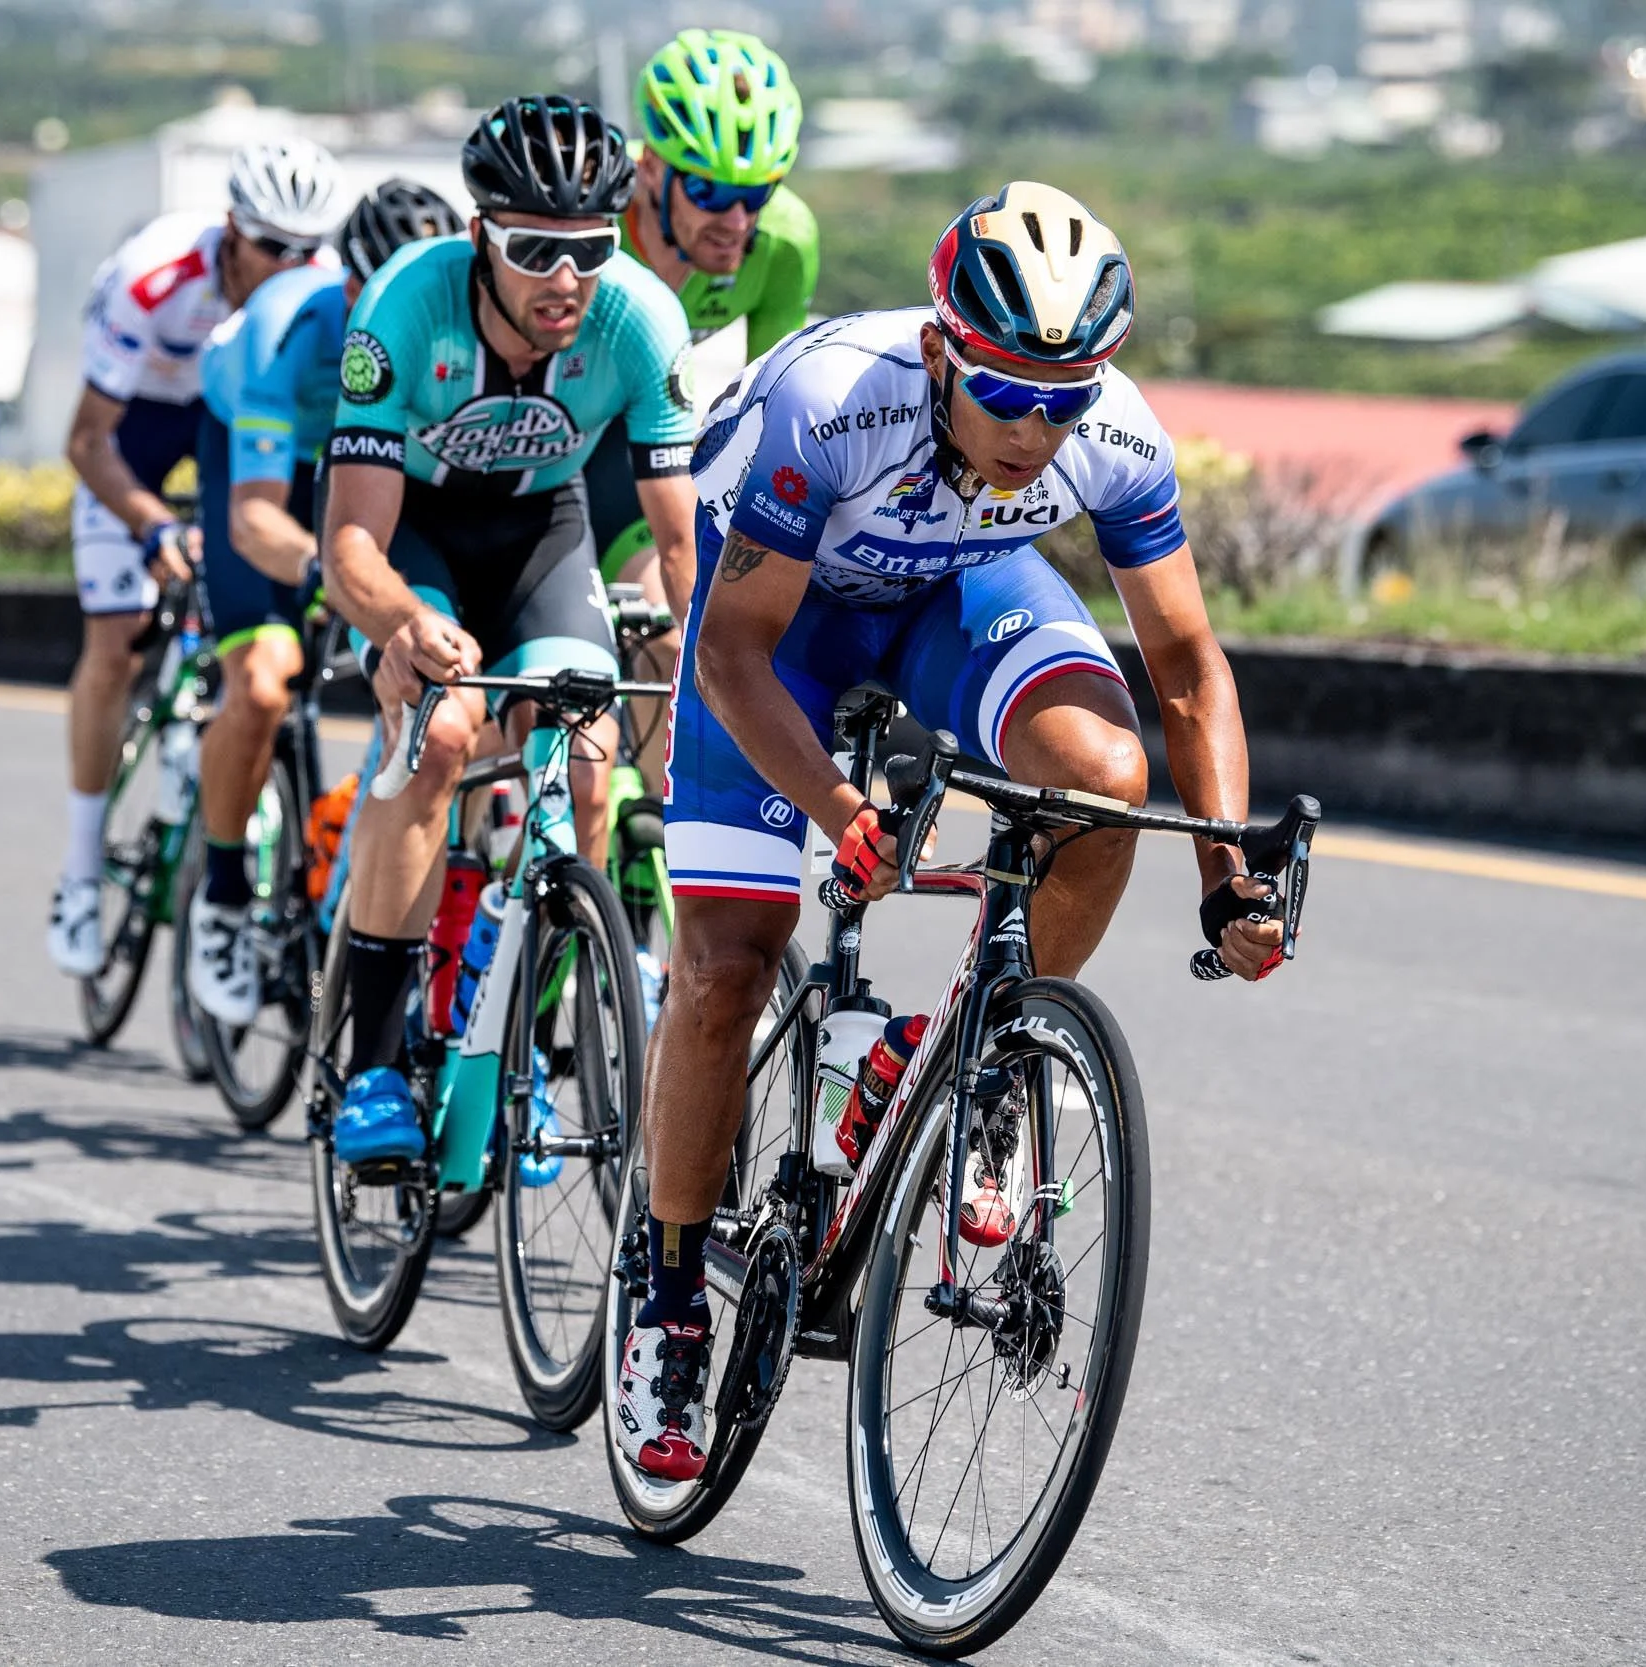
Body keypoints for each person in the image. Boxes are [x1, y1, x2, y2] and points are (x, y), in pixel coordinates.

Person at [612, 182, 1290, 1481]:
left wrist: (1227, 875)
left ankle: (976, 1050)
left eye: (1068, 393)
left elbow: (1190, 667)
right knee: (725, 966)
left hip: (956, 588)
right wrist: (839, 809)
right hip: (786, 621)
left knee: (1099, 776)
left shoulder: (1110, 432)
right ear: (940, 351)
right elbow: (735, 654)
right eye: (1007, 392)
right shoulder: (830, 403)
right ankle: (671, 1293)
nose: (1040, 427)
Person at [321, 95, 698, 1167]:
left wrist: (705, 669)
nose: (566, 280)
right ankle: (375, 1064)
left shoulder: (638, 320)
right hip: (418, 540)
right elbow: (349, 542)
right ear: (480, 235)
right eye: (536, 251)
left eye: (590, 250)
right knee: (440, 736)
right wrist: (401, 623)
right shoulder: (405, 303)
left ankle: (520, 1045)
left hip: (543, 529)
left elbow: (680, 546)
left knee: (584, 757)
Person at [45, 138, 338, 979]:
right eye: (270, 247)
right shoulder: (155, 280)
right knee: (116, 638)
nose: (288, 265)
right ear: (229, 232)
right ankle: (78, 866)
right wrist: (147, 527)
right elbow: (86, 439)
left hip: (244, 425)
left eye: (305, 250)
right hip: (140, 424)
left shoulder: (317, 300)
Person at [183, 176, 463, 1025]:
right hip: (273, 473)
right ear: (353, 289)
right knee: (266, 680)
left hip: (367, 472)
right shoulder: (283, 330)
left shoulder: (445, 331)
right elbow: (256, 518)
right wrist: (331, 574)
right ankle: (224, 893)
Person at [583, 28, 816, 728]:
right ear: (650, 167)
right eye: (711, 190)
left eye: (758, 193)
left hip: (654, 448)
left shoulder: (784, 243)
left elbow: (779, 410)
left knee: (678, 629)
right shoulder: (592, 223)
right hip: (560, 442)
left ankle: (648, 822)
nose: (737, 221)